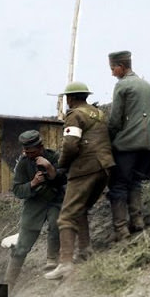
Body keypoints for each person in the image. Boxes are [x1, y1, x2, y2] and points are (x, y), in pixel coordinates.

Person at [45, 82, 115, 280]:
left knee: (66, 216)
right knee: (80, 209)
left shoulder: (75, 115)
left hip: (85, 168)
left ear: (71, 98)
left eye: (67, 98)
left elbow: (70, 145)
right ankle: (85, 251)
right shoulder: (98, 113)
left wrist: (62, 165)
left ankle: (65, 263)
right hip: (105, 167)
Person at [107, 50, 150, 240]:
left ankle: (121, 229)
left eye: (113, 68)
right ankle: (138, 221)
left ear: (121, 67)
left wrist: (109, 139)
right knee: (136, 181)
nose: (112, 72)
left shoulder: (122, 85)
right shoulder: (148, 86)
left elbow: (115, 120)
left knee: (119, 184)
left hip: (130, 143)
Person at [4, 130, 66, 290]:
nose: (28, 154)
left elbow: (64, 177)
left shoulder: (53, 156)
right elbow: (17, 190)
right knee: (22, 245)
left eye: (31, 152)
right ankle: (8, 285)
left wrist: (49, 168)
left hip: (55, 201)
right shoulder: (23, 163)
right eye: (26, 151)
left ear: (40, 147)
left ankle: (52, 264)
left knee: (56, 224)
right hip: (34, 204)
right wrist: (32, 183)